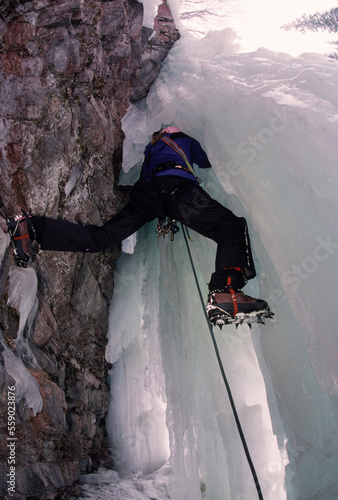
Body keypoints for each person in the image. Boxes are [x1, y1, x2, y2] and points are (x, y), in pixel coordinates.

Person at [1, 126, 272, 326]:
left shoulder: (150, 151)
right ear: (171, 131)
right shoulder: (181, 139)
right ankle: (225, 291)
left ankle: (30, 227)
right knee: (230, 227)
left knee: (100, 240)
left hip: (146, 196)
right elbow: (205, 158)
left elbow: (151, 179)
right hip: (179, 191)